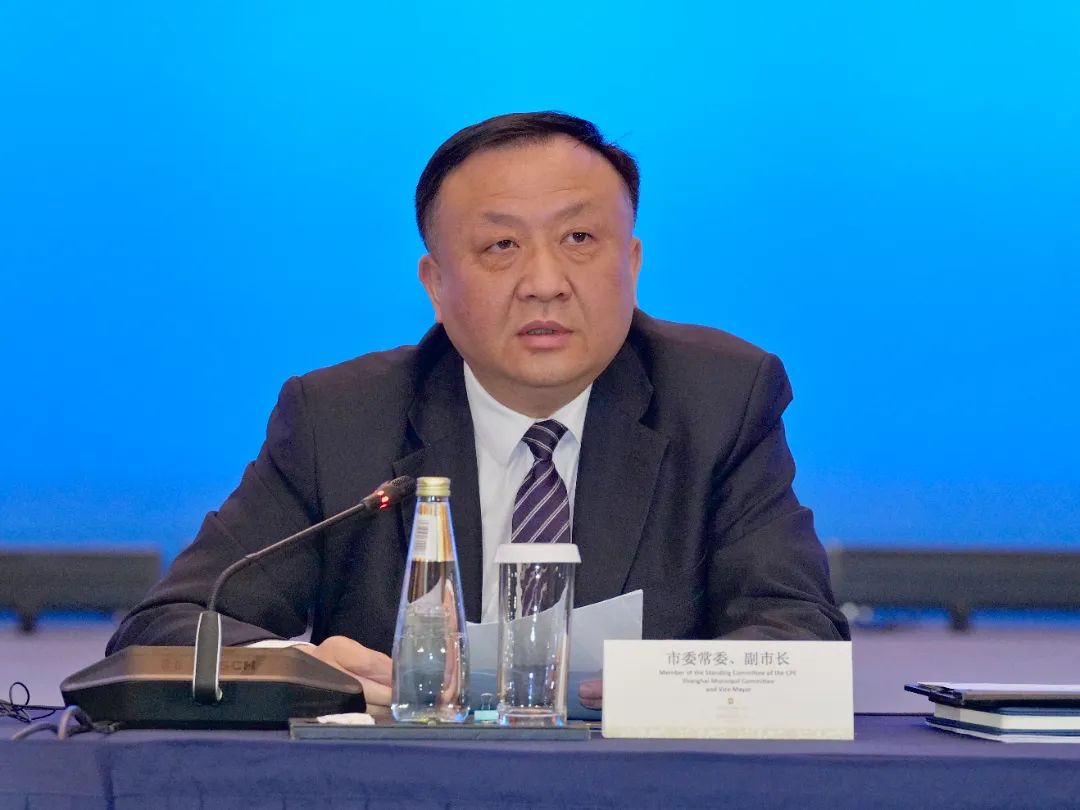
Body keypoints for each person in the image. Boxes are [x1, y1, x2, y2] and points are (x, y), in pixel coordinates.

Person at [107, 111, 849, 708]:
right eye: (500, 245)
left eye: (580, 238)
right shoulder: (340, 419)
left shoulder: (720, 400)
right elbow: (168, 629)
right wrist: (302, 669)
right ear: (435, 284)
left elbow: (798, 636)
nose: (545, 282)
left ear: (631, 263)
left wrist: (663, 689)